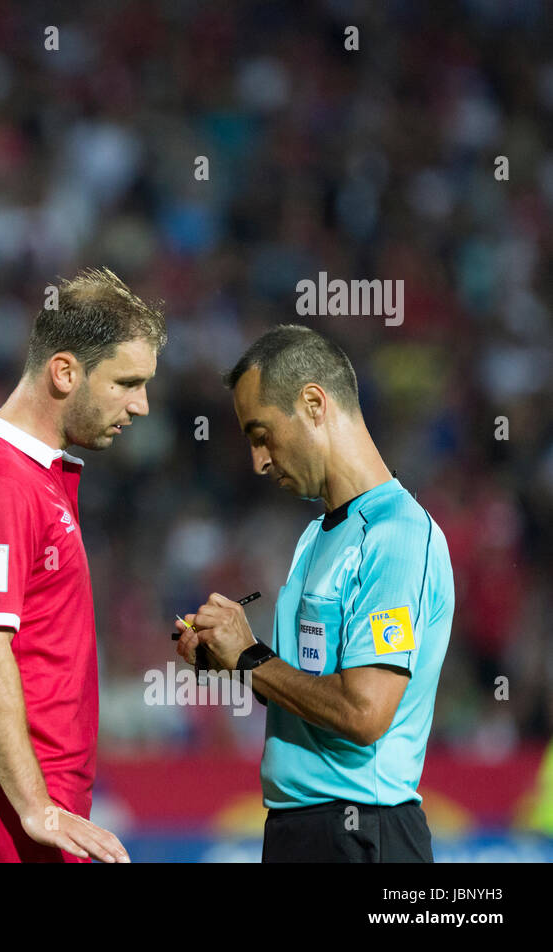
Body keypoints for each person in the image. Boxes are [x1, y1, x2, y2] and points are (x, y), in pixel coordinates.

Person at [0, 267, 165, 862]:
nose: (142, 405)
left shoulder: (27, 479)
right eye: (127, 382)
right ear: (65, 372)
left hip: (22, 809)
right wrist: (34, 805)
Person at [175, 325, 453, 862]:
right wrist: (231, 657)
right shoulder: (318, 534)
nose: (258, 460)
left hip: (360, 833)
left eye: (261, 434)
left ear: (313, 403)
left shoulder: (395, 536)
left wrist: (251, 658)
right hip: (302, 833)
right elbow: (307, 684)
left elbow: (364, 711)